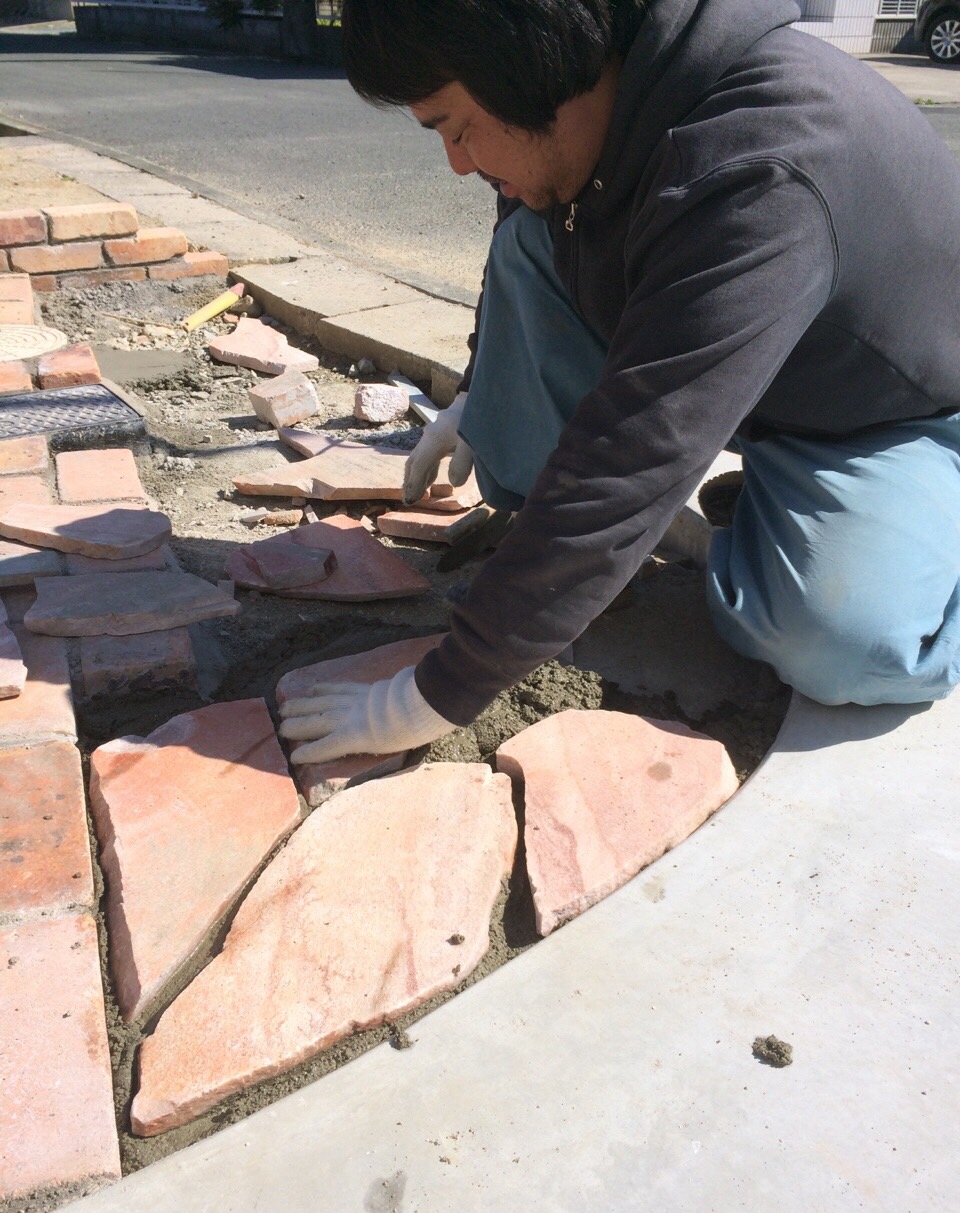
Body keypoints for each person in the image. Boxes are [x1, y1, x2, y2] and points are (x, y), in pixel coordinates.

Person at [278, 0, 960, 766]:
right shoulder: (586, 101)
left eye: (456, 127)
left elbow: (634, 449)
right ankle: (642, 542)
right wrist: (478, 390)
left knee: (844, 644)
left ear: (527, 65)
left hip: (883, 414)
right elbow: (523, 244)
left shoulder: (760, 169)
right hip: (741, 362)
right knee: (532, 231)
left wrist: (429, 695)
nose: (458, 164)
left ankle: (889, 520)